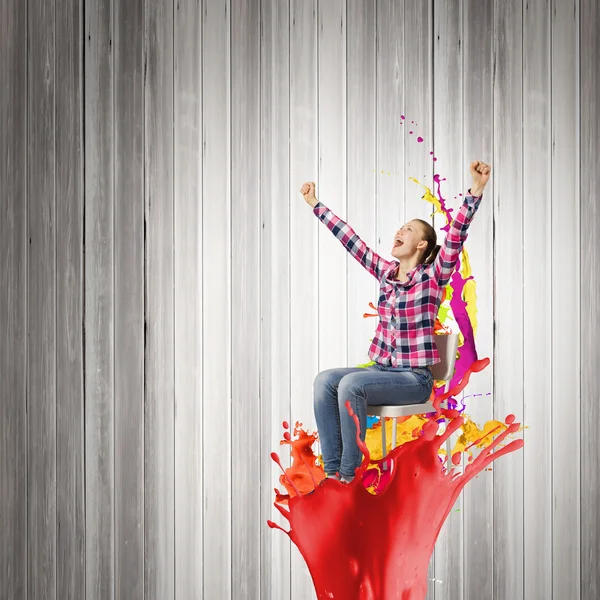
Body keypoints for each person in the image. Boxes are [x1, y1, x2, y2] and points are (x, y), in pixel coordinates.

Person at [300, 160, 491, 483]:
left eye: (408, 229)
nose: (399, 232)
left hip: (414, 379)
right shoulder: (386, 273)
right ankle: (331, 474)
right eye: (399, 228)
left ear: (421, 245)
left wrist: (475, 190)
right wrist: (316, 205)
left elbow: (456, 235)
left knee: (350, 385)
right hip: (382, 371)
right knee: (324, 381)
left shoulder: (433, 275)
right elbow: (352, 241)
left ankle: (350, 476)